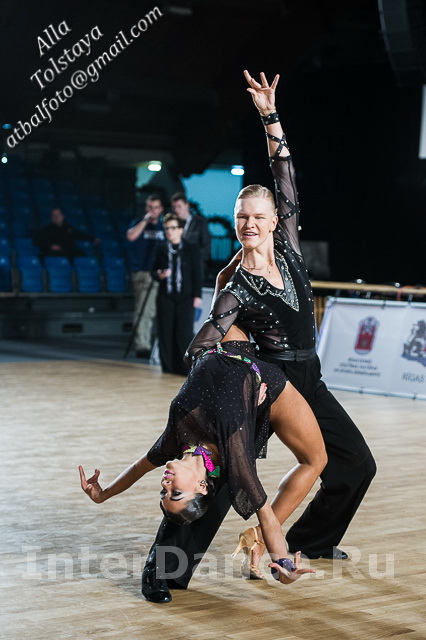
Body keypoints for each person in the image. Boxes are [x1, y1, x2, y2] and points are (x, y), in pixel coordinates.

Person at [140, 69, 377, 601]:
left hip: (309, 375)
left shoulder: (288, 247)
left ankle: (308, 540)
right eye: (240, 216)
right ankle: (163, 572)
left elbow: (283, 172)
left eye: (257, 215)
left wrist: (270, 115)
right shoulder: (235, 284)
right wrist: (235, 361)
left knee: (356, 463)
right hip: (265, 383)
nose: (248, 223)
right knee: (224, 478)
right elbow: (203, 343)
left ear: (274, 220)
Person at [80, 336, 324, 598]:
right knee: (316, 458)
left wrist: (102, 495)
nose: (165, 485)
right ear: (201, 486)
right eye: (176, 493)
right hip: (248, 362)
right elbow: (267, 518)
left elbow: (138, 468)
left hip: (211, 346)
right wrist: (284, 566)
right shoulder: (236, 459)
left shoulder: (172, 444)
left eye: (163, 492)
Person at [151, 213, 203, 375]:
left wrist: (197, 295)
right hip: (166, 295)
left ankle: (184, 367)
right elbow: (153, 271)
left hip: (185, 296)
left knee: (184, 332)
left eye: (173, 228)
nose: (170, 231)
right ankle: (167, 367)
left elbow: (197, 273)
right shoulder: (161, 248)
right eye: (167, 228)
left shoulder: (191, 248)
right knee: (165, 332)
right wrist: (159, 275)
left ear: (181, 230)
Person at [127, 194, 165, 358]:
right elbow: (131, 236)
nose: (153, 211)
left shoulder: (163, 227)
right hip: (143, 272)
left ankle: (153, 344)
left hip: (161, 273)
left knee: (153, 311)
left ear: (161, 209)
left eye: (156, 208)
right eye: (150, 207)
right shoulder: (139, 223)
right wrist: (145, 220)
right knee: (144, 310)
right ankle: (142, 345)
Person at [171, 193, 211, 267]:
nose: (176, 209)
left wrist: (197, 262)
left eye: (179, 206)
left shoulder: (200, 222)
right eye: (174, 207)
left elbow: (206, 245)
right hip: (177, 265)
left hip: (195, 265)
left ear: (187, 205)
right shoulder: (172, 224)